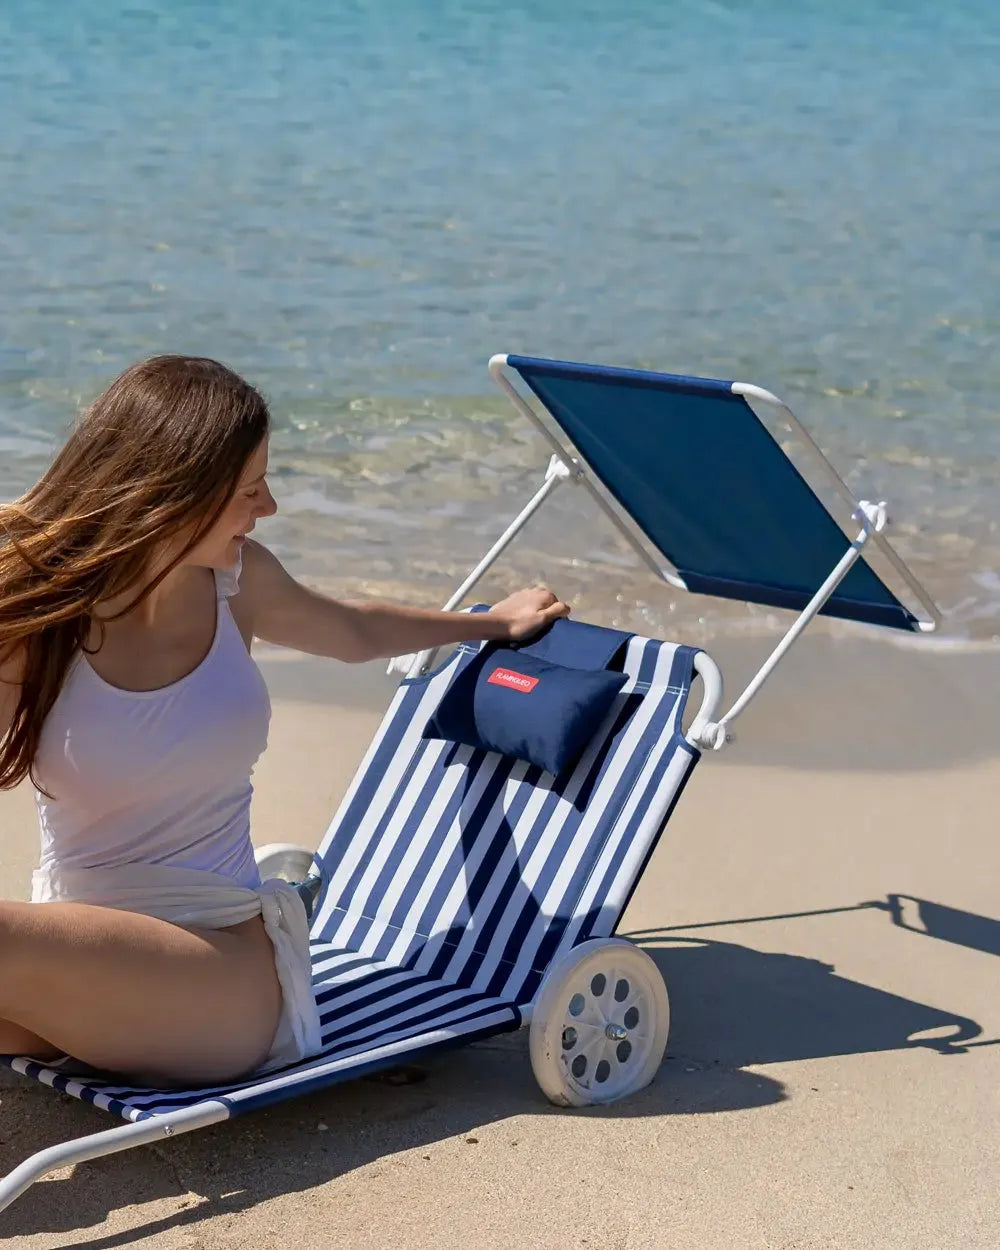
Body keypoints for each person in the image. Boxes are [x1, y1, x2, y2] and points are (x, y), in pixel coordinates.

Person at [0, 355, 569, 1086]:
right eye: (249, 489)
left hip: (222, 973)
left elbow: (354, 630)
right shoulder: (39, 621)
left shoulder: (239, 586)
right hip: (73, 963)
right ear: (176, 494)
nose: (267, 507)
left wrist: (492, 624)